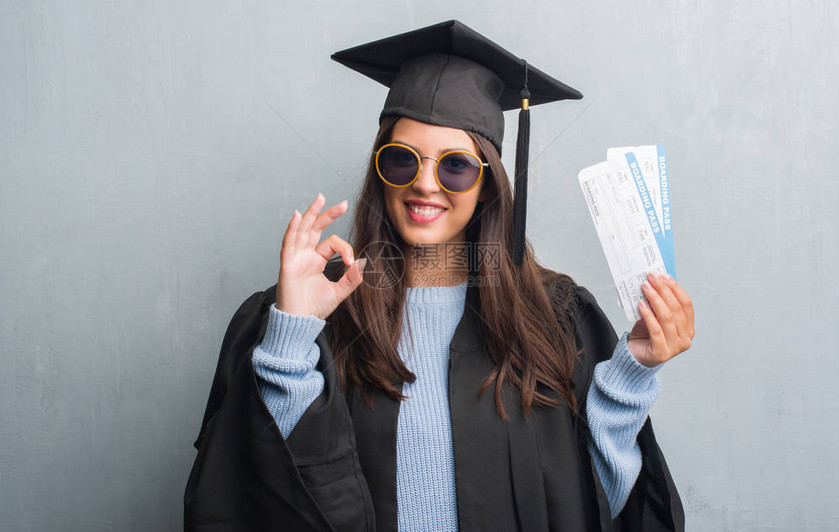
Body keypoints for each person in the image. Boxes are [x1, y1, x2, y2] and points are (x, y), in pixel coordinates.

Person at [184, 20, 695, 532]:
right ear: (380, 172)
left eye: (456, 166)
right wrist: (291, 335)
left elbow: (588, 508)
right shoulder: (318, 310)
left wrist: (631, 375)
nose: (425, 185)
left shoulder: (554, 316)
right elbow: (263, 499)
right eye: (402, 161)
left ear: (488, 183)